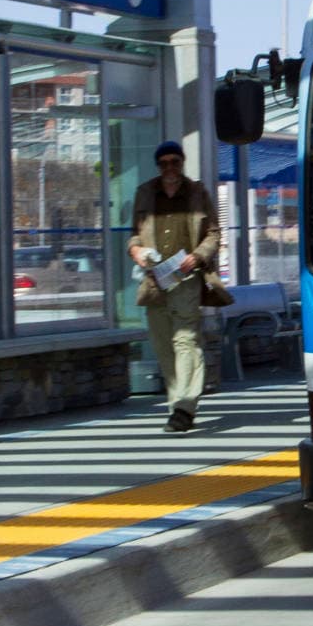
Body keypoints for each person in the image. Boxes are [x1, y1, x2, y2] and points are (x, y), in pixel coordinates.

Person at [129, 140, 224, 433]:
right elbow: (134, 236)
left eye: (175, 162)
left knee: (186, 341)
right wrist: (135, 250)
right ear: (158, 166)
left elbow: (213, 233)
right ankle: (176, 403)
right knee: (163, 345)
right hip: (156, 279)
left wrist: (198, 256)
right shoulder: (145, 193)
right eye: (164, 163)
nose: (170, 168)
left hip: (186, 278)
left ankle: (184, 407)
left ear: (182, 163)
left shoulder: (197, 193)